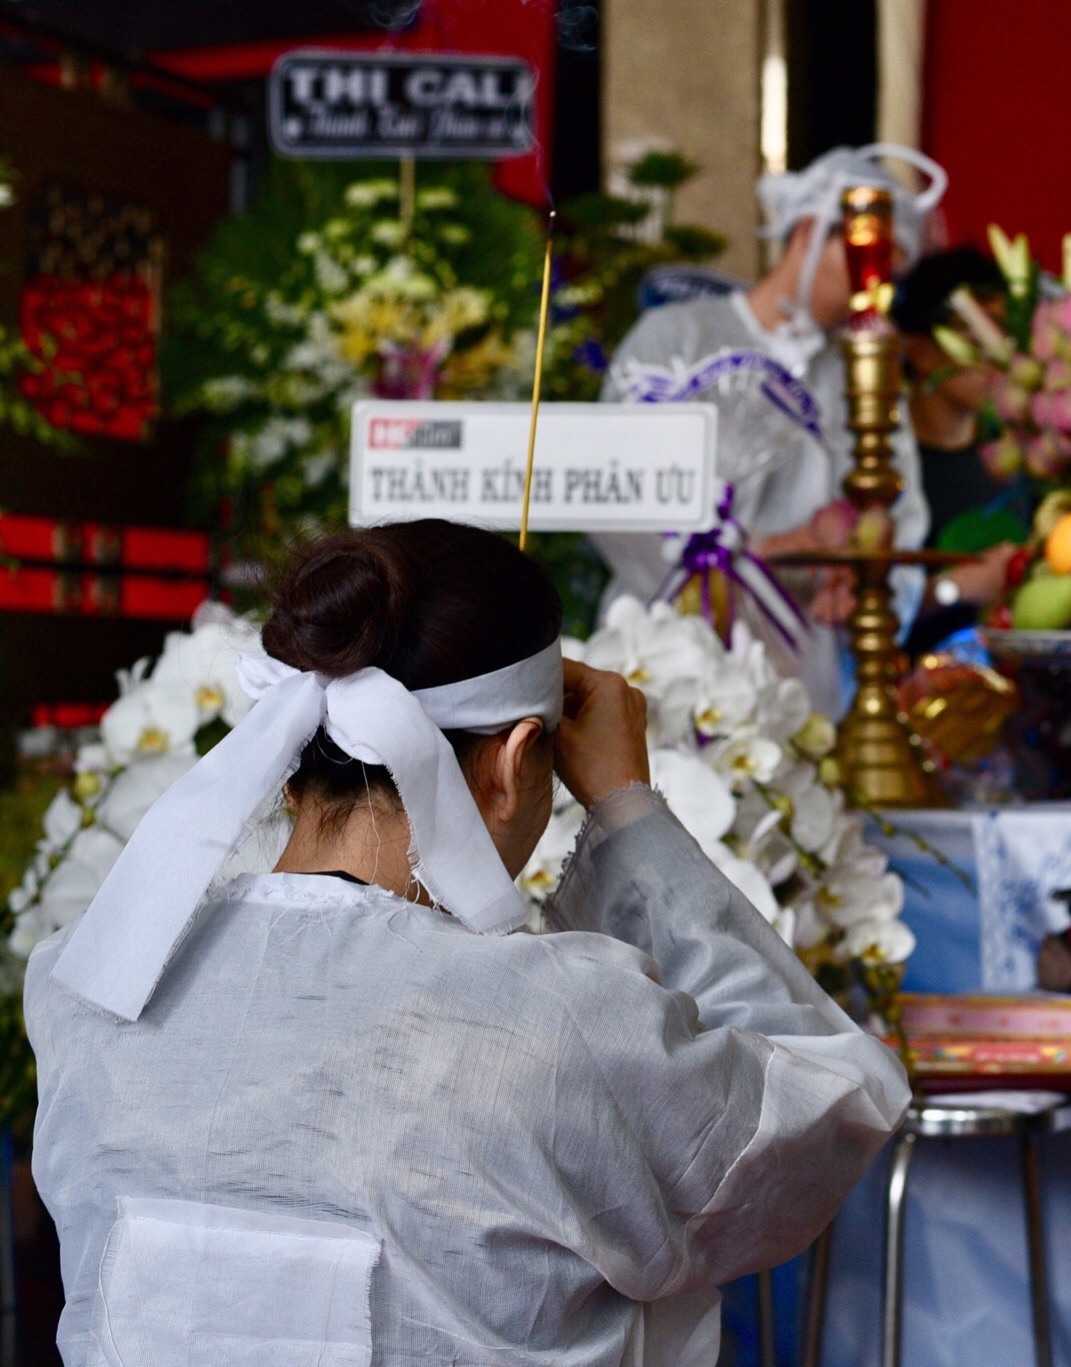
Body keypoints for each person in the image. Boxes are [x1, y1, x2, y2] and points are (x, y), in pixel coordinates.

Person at [27, 520, 907, 1365]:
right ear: (517, 761)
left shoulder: (84, 982)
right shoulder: (557, 1026)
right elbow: (823, 1116)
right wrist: (628, 810)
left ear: (290, 764)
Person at [598, 144, 944, 710]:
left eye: (891, 275)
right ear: (809, 232)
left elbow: (899, 520)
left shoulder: (867, 374)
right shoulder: (675, 338)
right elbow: (610, 493)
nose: (875, 291)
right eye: (868, 263)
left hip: (801, 682)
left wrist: (864, 587)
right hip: (660, 661)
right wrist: (751, 556)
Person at [891, 245, 1026, 655]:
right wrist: (952, 589)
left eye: (1005, 337)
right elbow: (859, 604)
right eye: (976, 339)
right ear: (922, 353)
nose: (998, 357)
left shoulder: (1020, 460)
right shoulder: (886, 468)